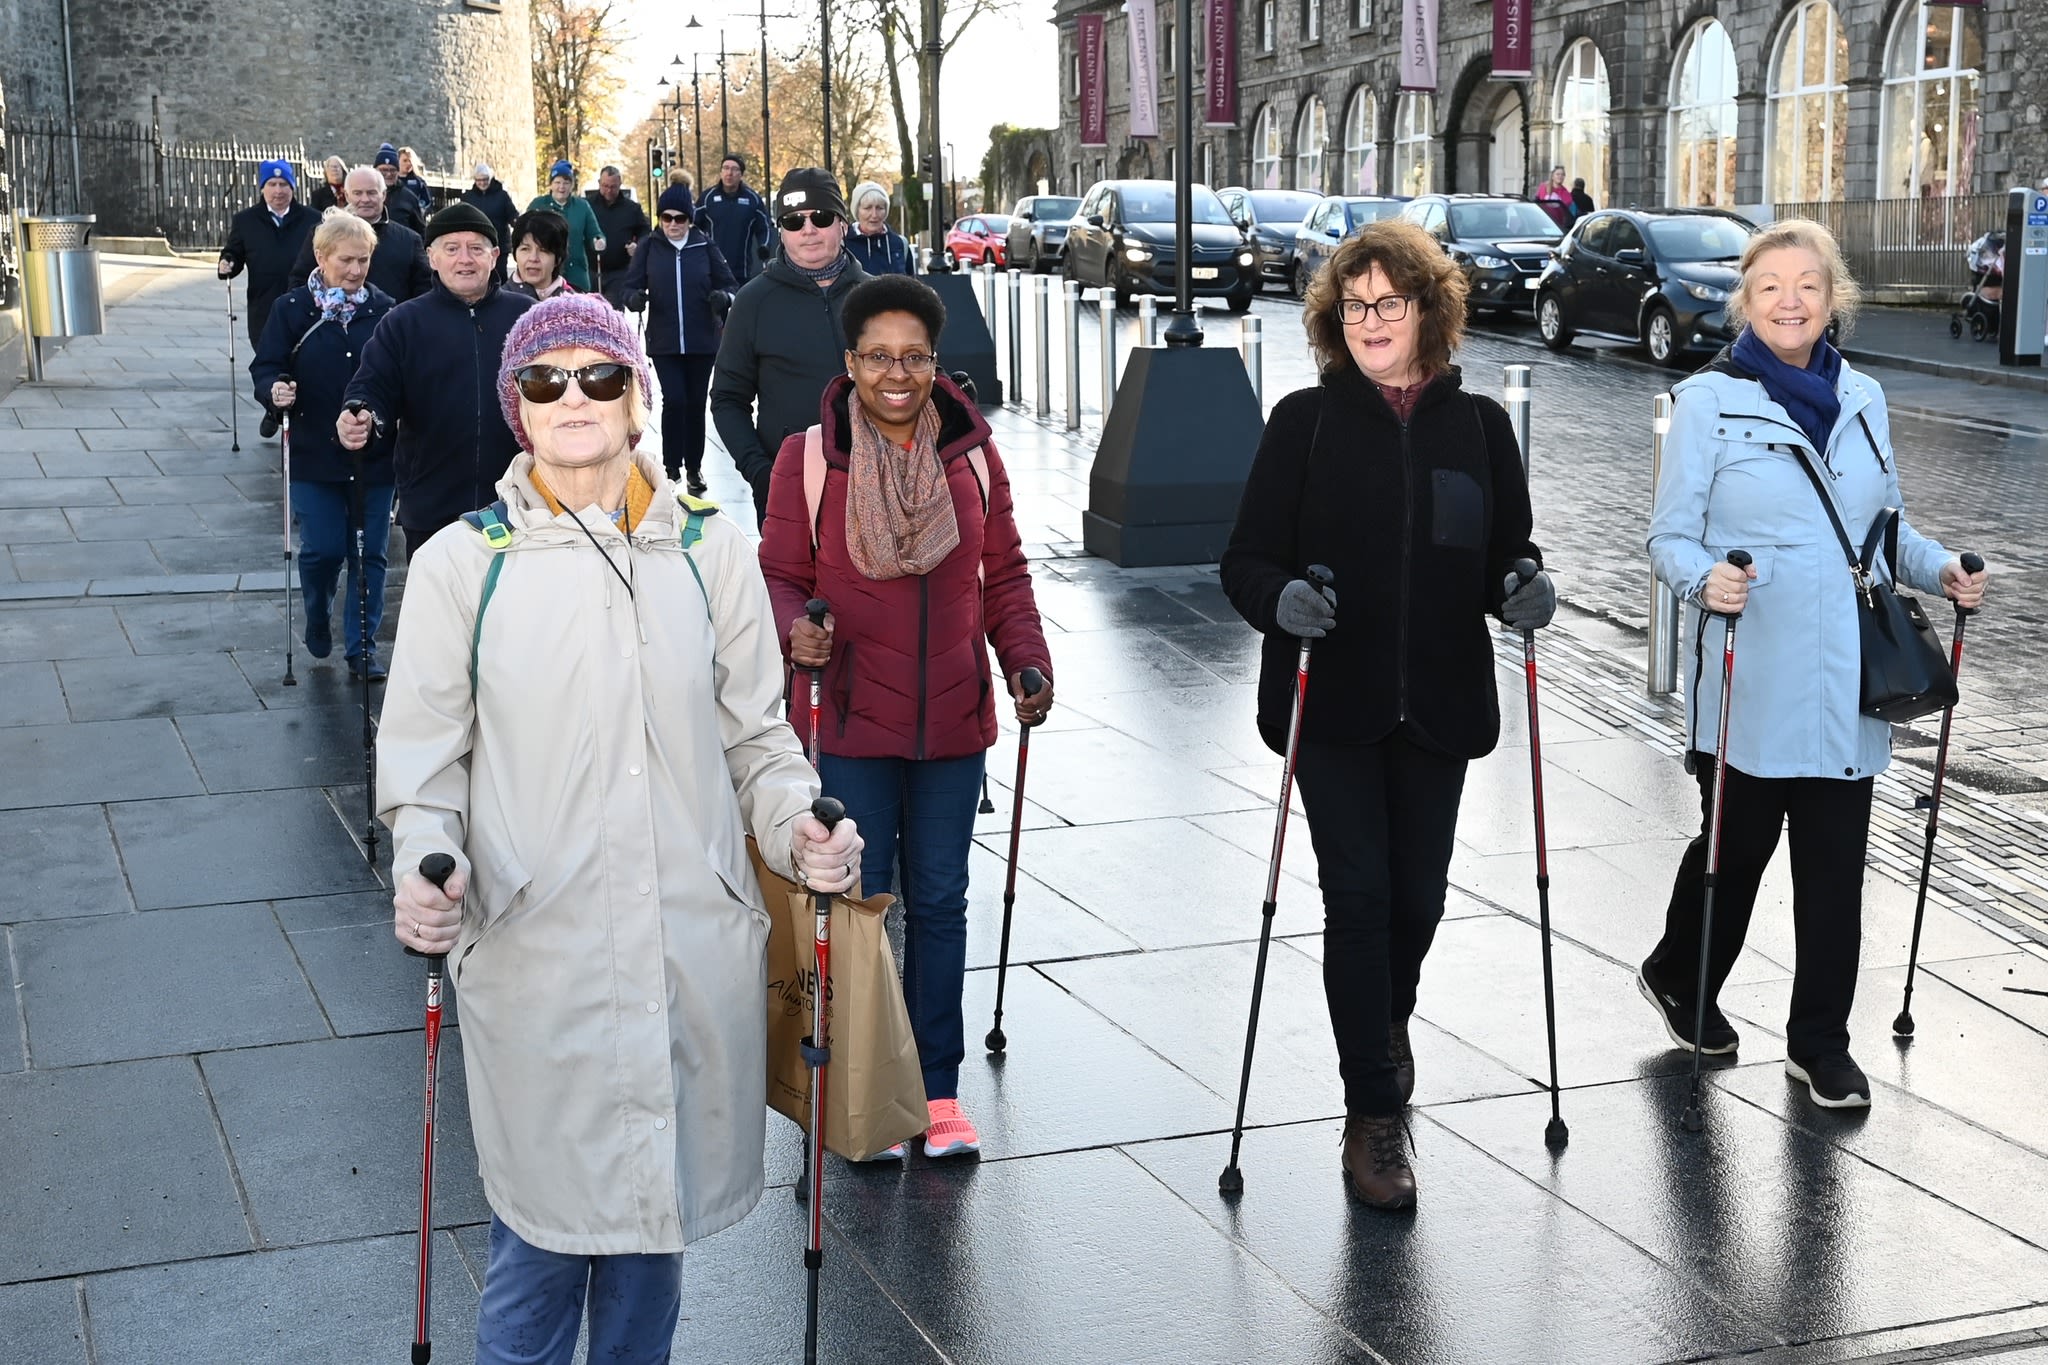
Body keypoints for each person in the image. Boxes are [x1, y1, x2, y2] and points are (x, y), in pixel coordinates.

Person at [376, 292, 864, 1364]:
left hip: (685, 944)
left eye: (599, 376)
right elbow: (425, 764)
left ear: (639, 398)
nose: (572, 398)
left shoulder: (706, 548)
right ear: (517, 410)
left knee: (652, 1236)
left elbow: (757, 741)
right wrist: (423, 864)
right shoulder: (467, 563)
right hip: (539, 950)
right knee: (542, 1245)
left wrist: (800, 835)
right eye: (543, 382)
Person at [1219, 219, 1552, 1210]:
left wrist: (1523, 586)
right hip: (1332, 704)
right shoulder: (1301, 424)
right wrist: (1280, 600)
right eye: (1354, 304)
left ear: (1427, 313)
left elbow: (1505, 553)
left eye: (1389, 303)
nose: (1371, 320)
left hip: (1439, 703)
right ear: (1333, 318)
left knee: (1418, 901)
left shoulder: (1478, 429)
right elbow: (1244, 560)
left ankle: (1377, 1027)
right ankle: (1374, 1111)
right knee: (1357, 898)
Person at [1638, 218, 1988, 1111]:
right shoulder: (1708, 401)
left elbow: (1884, 531)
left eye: (1808, 285)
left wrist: (1939, 566)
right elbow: (1669, 536)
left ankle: (1819, 1043)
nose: (1790, 301)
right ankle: (1682, 975)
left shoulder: (1864, 397)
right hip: (1751, 678)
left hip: (1850, 682)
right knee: (1737, 852)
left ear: (1833, 300)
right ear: (1745, 302)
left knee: (1834, 870)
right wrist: (1703, 579)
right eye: (1770, 287)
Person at [758, 273, 1053, 1163]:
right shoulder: (807, 459)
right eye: (879, 357)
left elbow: (1002, 574)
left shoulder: (972, 456)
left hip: (953, 723)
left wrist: (1026, 660)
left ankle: (937, 1088)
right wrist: (793, 636)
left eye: (914, 357)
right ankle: (858, 1085)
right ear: (850, 363)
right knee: (854, 904)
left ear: (936, 363)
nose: (898, 373)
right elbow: (778, 575)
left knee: (939, 902)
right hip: (848, 718)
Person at [340, 202, 533, 560]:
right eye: (452, 248)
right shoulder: (404, 322)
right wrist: (362, 412)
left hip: (519, 502)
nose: (465, 259)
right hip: (432, 504)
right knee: (438, 611)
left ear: (494, 257)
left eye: (476, 249)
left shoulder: (525, 317)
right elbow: (373, 384)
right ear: (432, 257)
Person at [249, 209, 397, 678]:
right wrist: (275, 390)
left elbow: (401, 377)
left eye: (364, 261)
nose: (356, 271)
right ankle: (317, 609)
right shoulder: (291, 309)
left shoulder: (387, 310)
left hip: (374, 453)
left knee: (370, 554)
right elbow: (266, 365)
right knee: (324, 550)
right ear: (321, 256)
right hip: (314, 451)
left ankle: (362, 648)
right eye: (346, 261)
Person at [710, 167, 868, 525]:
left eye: (822, 217)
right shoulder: (753, 302)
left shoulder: (877, 297)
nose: (808, 230)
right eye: (794, 221)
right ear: (781, 230)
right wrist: (762, 473)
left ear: (843, 224)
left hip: (873, 488)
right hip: (788, 494)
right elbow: (727, 399)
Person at [622, 182, 736, 494]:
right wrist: (634, 298)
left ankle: (695, 468)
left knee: (696, 403)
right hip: (665, 340)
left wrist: (722, 298)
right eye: (666, 217)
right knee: (674, 400)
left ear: (690, 219)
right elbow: (629, 286)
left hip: (702, 340)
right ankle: (671, 467)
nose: (673, 224)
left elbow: (731, 285)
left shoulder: (704, 245)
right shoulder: (649, 246)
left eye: (680, 218)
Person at [289, 167, 433, 305]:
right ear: (346, 195)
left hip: (391, 325)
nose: (365, 199)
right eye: (357, 193)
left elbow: (425, 289)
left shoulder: (408, 240)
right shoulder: (321, 232)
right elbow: (301, 279)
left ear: (383, 195)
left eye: (371, 193)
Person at [218, 158, 318, 350]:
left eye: (284, 184)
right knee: (268, 357)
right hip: (264, 303)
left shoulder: (312, 219)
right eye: (272, 184)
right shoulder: (246, 220)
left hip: (304, 301)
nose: (278, 190)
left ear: (292, 187)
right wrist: (227, 262)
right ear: (263, 188)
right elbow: (234, 251)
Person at [527, 161, 605, 292]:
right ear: (551, 184)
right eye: (557, 182)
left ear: (572, 186)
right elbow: (525, 232)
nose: (561, 187)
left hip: (576, 274)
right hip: (546, 274)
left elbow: (595, 233)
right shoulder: (538, 205)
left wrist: (599, 241)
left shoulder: (582, 206)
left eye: (566, 183)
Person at [584, 164, 651, 307]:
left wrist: (637, 245)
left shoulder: (632, 208)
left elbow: (645, 230)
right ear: (599, 183)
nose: (608, 190)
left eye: (613, 186)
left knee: (613, 315)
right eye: (605, 186)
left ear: (620, 184)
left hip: (619, 272)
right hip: (591, 270)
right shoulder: (587, 205)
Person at [699, 153, 772, 283]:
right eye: (726, 168)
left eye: (734, 169)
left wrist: (764, 246)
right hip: (712, 269)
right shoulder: (707, 198)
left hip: (741, 271)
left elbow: (765, 227)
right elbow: (693, 224)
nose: (729, 173)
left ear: (741, 174)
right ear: (721, 172)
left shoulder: (752, 200)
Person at [503, 211, 579, 302]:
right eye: (525, 249)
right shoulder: (498, 303)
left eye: (543, 251)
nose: (533, 258)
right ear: (515, 253)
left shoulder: (575, 305)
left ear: (558, 258)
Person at [461, 163, 520, 279]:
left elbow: (512, 215)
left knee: (499, 276)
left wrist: (519, 225)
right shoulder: (467, 197)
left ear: (490, 179)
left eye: (485, 179)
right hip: (475, 244)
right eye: (479, 180)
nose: (482, 183)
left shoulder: (502, 196)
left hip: (499, 243)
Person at [846, 181, 917, 277]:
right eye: (867, 208)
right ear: (857, 210)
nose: (874, 215)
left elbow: (911, 284)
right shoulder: (843, 245)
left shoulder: (899, 244)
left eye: (879, 208)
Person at [374, 144, 427, 234]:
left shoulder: (409, 198)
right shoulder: (366, 194)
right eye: (384, 170)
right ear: (375, 170)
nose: (389, 174)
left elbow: (420, 231)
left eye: (393, 170)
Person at [396, 146, 435, 220]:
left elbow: (427, 201)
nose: (408, 163)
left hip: (413, 219)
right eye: (405, 160)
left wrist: (420, 209)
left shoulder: (419, 182)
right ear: (397, 161)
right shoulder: (391, 181)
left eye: (410, 161)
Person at [1535, 165, 1574, 231]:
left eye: (1562, 175)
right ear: (1552, 176)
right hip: (1541, 222)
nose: (1560, 176)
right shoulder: (1543, 187)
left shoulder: (1566, 193)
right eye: (1558, 174)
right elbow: (1536, 201)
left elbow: (1567, 213)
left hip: (1557, 225)